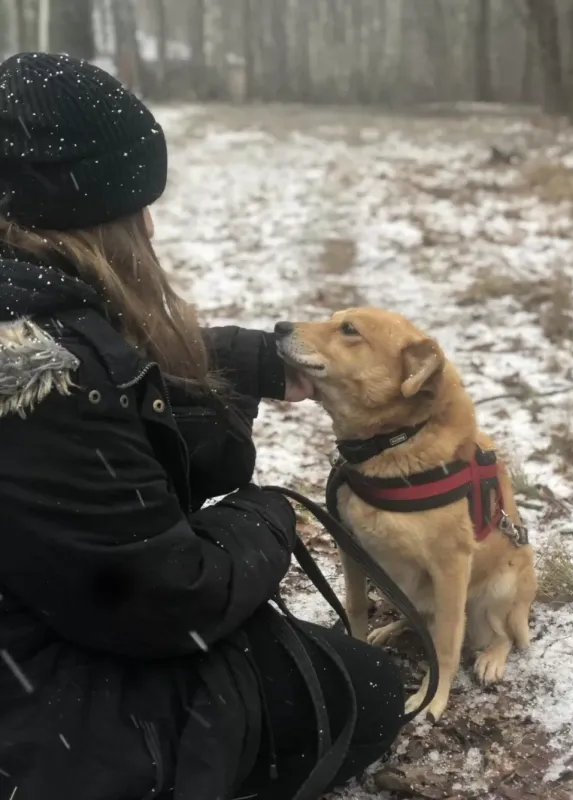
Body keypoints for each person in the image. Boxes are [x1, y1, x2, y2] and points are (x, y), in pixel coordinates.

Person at [0, 53, 405, 800]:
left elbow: (114, 377)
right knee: (367, 691)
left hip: (35, 628)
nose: (150, 224)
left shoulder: (27, 315)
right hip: (34, 712)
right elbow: (165, 597)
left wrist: (238, 363)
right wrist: (269, 515)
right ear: (90, 217)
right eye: (137, 206)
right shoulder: (30, 372)